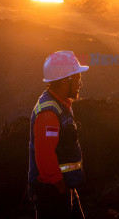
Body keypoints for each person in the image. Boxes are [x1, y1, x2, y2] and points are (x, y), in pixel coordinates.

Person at [28, 50, 88, 219]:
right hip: (52, 190)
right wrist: (60, 185)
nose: (80, 84)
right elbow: (45, 156)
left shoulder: (61, 104)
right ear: (64, 81)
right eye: (77, 79)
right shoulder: (49, 114)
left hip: (62, 186)